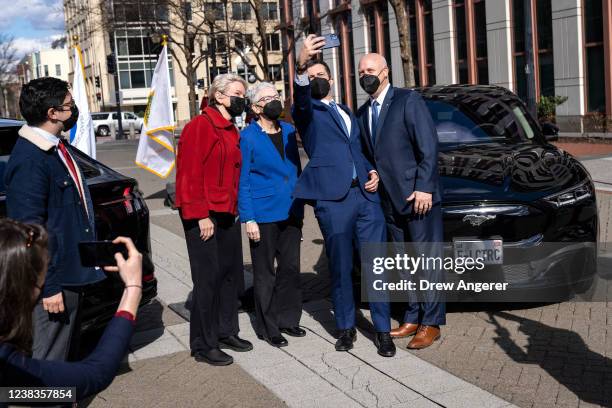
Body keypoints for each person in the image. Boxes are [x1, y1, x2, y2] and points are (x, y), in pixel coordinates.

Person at [292, 35, 395, 357]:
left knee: (376, 265)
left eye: (321, 77)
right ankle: (346, 327)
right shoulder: (307, 113)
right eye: (312, 79)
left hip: (365, 197)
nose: (317, 81)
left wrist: (371, 171)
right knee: (339, 267)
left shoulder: (348, 109)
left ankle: (382, 330)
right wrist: (300, 65)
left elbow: (357, 148)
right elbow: (301, 98)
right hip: (333, 201)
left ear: (333, 80)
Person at [4, 77, 106, 361]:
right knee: (49, 356)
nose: (73, 110)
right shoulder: (31, 159)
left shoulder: (55, 148)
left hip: (71, 271)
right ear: (52, 113)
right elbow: (30, 233)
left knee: (64, 352)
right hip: (55, 280)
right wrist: (49, 287)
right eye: (68, 105)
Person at [356, 53, 445, 349]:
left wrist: (425, 187)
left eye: (370, 70)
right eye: (361, 72)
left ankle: (431, 323)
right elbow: (373, 156)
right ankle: (411, 316)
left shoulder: (408, 100)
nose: (364, 75)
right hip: (389, 201)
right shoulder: (363, 112)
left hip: (418, 198)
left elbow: (428, 146)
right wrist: (373, 173)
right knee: (405, 263)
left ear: (385, 72)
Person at [0, 218, 143, 400]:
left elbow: (19, 394)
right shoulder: (10, 366)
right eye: (41, 287)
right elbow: (97, 373)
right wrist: (133, 288)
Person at [175, 73, 253, 366]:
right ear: (219, 96)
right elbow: (189, 173)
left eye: (243, 94)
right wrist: (200, 215)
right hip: (204, 215)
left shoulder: (231, 127)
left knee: (230, 276)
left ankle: (226, 331)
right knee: (207, 281)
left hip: (227, 213)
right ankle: (203, 345)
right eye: (237, 93)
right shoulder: (200, 126)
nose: (241, 99)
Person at [239, 82, 305, 347]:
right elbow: (242, 181)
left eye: (276, 96)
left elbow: (296, 172)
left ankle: (289, 319)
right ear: (256, 107)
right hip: (263, 214)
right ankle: (269, 327)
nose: (273, 101)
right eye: (267, 99)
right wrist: (248, 218)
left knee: (290, 269)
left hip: (290, 211)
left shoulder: (289, 131)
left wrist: (301, 208)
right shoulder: (247, 137)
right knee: (265, 273)